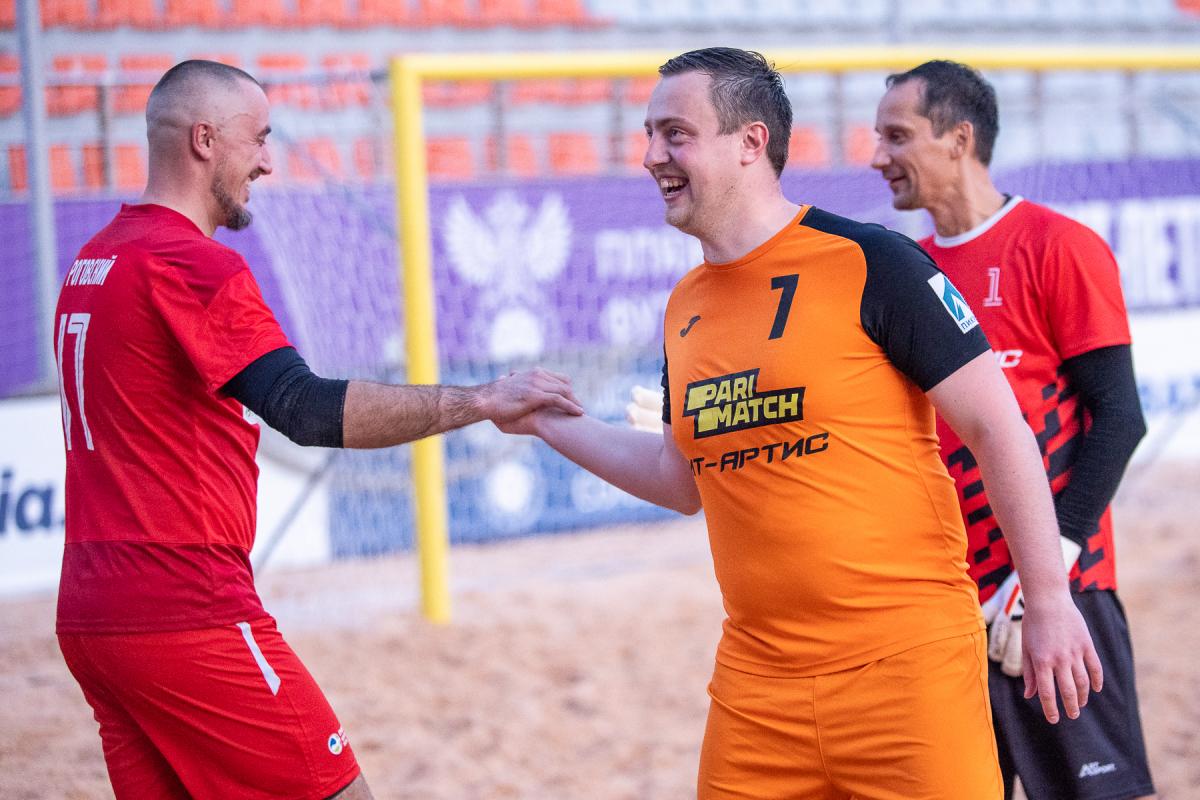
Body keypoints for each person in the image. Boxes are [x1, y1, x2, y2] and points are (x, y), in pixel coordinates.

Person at [502, 47, 1101, 800]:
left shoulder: (874, 262)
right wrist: (552, 424)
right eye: (649, 134)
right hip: (757, 691)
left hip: (907, 675)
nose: (652, 155)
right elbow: (678, 479)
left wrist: (1047, 600)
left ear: (750, 142)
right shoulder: (686, 305)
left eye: (676, 133)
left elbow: (997, 429)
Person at [52, 60, 582, 800]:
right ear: (205, 140)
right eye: (259, 138)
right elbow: (303, 408)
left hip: (89, 614)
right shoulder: (191, 264)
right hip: (185, 606)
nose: (268, 161)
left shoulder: (96, 258)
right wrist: (483, 400)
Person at [871, 60, 1155, 800]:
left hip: (1060, 592)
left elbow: (1119, 418)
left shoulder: (1057, 245)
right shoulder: (906, 272)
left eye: (897, 136)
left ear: (959, 138)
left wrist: (1042, 575)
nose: (876, 157)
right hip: (948, 605)